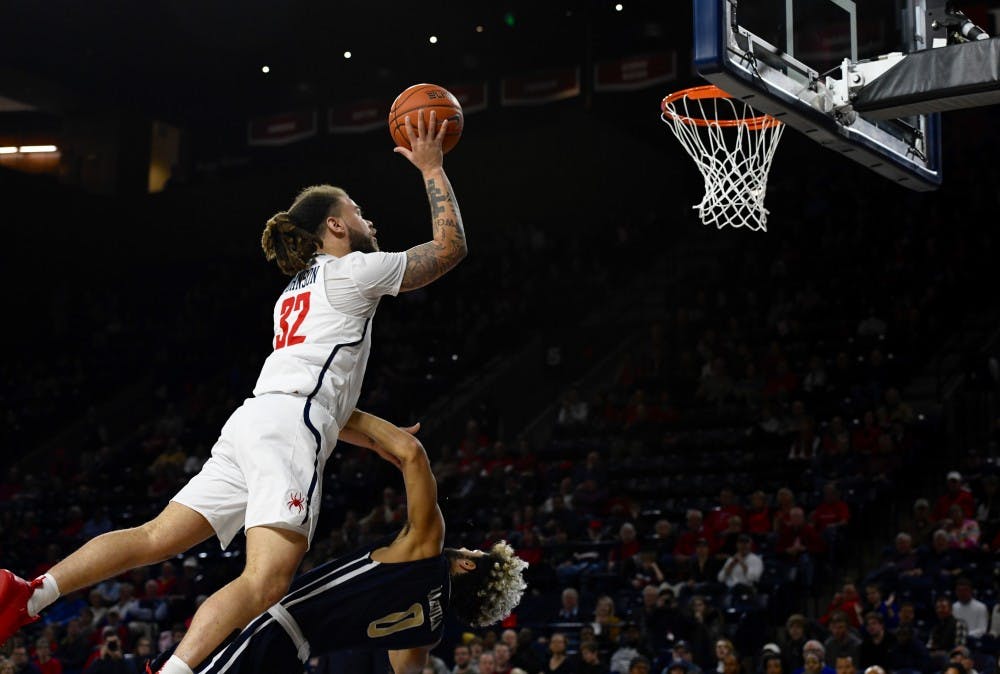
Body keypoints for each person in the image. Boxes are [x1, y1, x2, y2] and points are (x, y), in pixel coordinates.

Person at [0, 109, 468, 674]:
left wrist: (374, 432)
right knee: (266, 579)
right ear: (337, 228)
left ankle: (28, 594)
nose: (369, 221)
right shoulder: (354, 272)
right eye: (358, 212)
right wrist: (432, 167)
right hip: (289, 429)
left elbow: (321, 388)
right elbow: (449, 249)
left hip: (253, 421)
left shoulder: (292, 295)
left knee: (155, 536)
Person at [143, 409, 527, 673]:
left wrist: (338, 410)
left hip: (273, 628)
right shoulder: (426, 637)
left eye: (475, 552)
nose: (470, 547)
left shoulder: (425, 549)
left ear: (467, 565)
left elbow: (412, 454)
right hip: (294, 658)